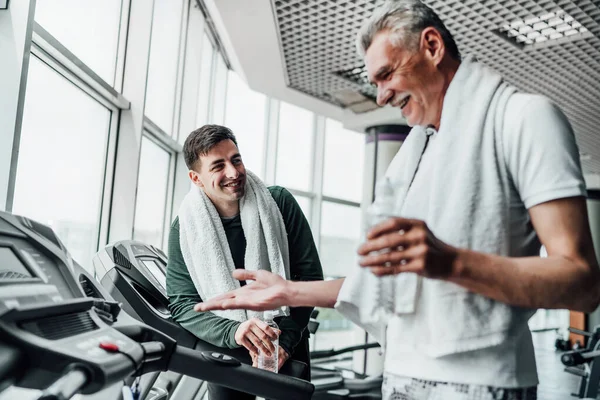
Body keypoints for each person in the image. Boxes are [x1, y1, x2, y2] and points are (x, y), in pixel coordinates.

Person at [195, 1, 600, 399]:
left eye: (387, 74)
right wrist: (289, 292)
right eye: (375, 82)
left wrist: (451, 262)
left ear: (432, 46)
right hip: (403, 374)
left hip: (484, 381)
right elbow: (377, 282)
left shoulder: (525, 119)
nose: (382, 97)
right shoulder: (418, 154)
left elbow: (582, 284)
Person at [166, 124, 323, 400]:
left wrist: (284, 340)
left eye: (235, 159)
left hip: (284, 335)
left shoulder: (280, 203)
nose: (233, 172)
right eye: (218, 166)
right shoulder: (185, 228)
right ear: (196, 178)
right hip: (227, 344)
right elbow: (182, 303)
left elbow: (309, 277)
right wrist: (235, 330)